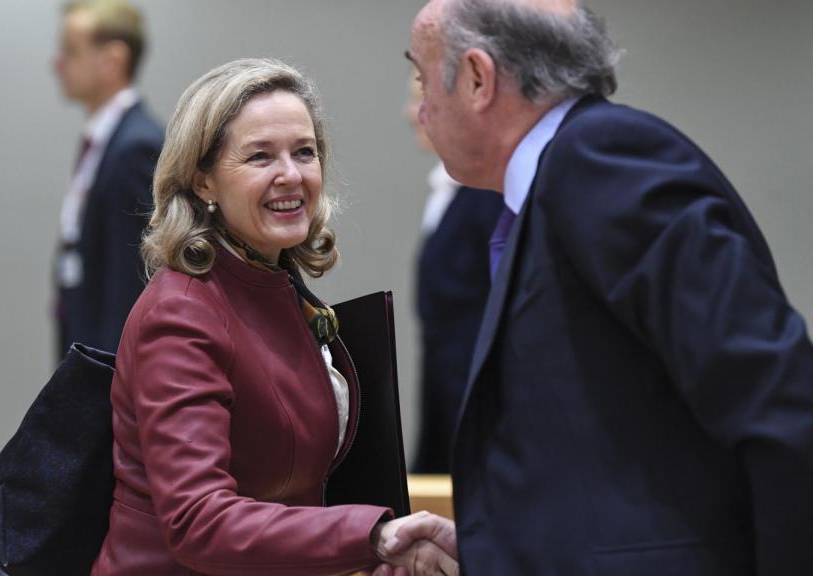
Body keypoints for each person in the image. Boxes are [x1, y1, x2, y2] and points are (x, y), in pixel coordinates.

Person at [387, 0, 813, 574]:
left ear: (477, 79)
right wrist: (494, 546)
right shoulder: (550, 187)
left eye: (422, 78)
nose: (420, 109)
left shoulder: (600, 159)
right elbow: (611, 449)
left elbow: (773, 393)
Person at [90, 58, 456, 576]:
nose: (291, 174)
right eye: (260, 156)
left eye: (304, 152)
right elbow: (199, 522)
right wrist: (370, 535)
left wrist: (367, 544)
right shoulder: (181, 314)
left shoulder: (273, 285)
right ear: (202, 182)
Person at [52, 0, 163, 359]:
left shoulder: (135, 146)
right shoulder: (107, 139)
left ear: (112, 60)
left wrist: (102, 378)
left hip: (108, 360)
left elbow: (131, 280)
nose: (57, 64)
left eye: (71, 51)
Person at [407, 70, 504, 474]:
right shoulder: (455, 194)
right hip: (448, 414)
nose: (411, 114)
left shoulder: (493, 198)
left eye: (421, 99)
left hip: (483, 430)